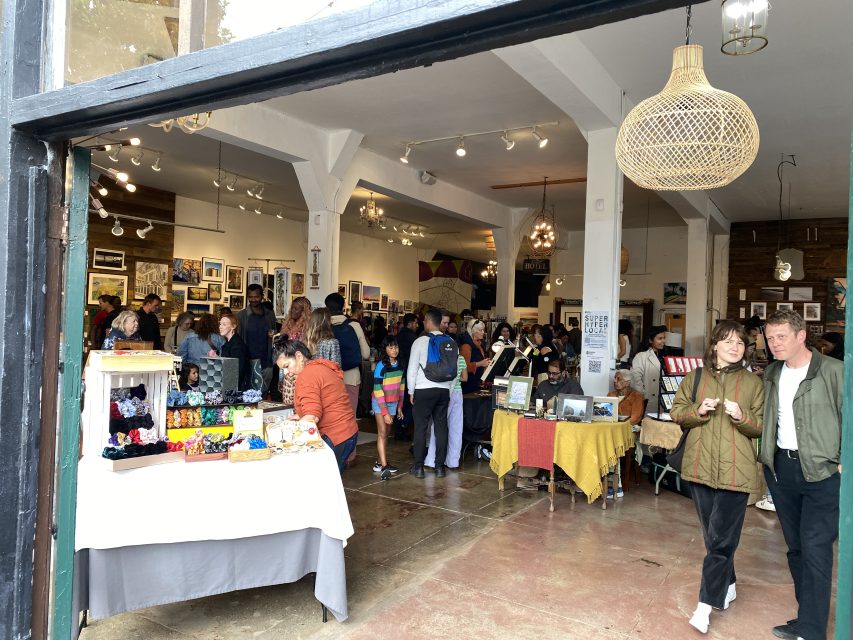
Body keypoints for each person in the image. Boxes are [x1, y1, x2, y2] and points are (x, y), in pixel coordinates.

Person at [670, 320, 764, 636]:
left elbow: (761, 427)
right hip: (699, 468)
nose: (734, 347)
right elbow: (676, 412)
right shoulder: (695, 377)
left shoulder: (754, 384)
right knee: (714, 536)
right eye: (728, 341)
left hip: (737, 471)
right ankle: (730, 582)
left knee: (721, 541)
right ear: (714, 346)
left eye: (739, 342)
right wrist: (699, 409)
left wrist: (742, 417)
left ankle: (705, 606)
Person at [759, 310, 843, 640]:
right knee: (796, 548)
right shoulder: (771, 373)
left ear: (801, 336)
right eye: (770, 338)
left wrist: (844, 460)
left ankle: (812, 630)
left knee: (815, 548)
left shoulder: (834, 370)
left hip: (823, 472)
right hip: (782, 470)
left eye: (781, 336)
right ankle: (807, 618)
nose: (775, 343)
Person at [275, 339, 359, 473]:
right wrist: (300, 415)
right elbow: (325, 401)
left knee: (324, 483)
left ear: (299, 356)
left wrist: (290, 433)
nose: (286, 373)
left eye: (287, 366)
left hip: (336, 435)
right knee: (334, 480)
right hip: (348, 432)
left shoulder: (306, 375)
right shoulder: (318, 367)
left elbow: (312, 416)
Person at [407, 308, 456, 478]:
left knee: (420, 428)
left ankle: (419, 467)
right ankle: (439, 467)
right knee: (441, 428)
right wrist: (448, 391)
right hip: (443, 391)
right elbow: (454, 371)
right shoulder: (450, 341)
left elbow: (412, 369)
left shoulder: (419, 342)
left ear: (428, 321)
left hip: (423, 389)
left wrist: (411, 390)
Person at [326, 292, 370, 411]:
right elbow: (366, 354)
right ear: (344, 306)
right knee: (349, 418)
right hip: (351, 377)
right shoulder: (354, 325)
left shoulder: (324, 327)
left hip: (329, 378)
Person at [425, 348, 467, 470]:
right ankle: (453, 461)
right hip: (458, 394)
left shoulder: (442, 359)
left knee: (437, 426)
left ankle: (432, 460)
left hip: (445, 392)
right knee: (456, 427)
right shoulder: (461, 358)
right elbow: (465, 378)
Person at [371, 336, 405, 480]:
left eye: (396, 346)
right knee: (382, 433)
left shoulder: (400, 364)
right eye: (390, 347)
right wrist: (385, 412)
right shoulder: (381, 366)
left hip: (393, 402)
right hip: (380, 402)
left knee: (387, 433)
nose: (394, 350)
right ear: (385, 349)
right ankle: (384, 466)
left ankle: (379, 462)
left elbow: (402, 386)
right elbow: (378, 390)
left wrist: (399, 407)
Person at [236, 284, 277, 392]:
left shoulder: (269, 314)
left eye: (256, 297)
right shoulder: (241, 316)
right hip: (249, 361)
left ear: (262, 296)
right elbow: (238, 340)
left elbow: (274, 333)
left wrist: (272, 334)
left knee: (264, 394)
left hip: (267, 360)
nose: (253, 300)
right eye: (250, 297)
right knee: (250, 394)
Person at [631, 325, 668, 410]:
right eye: (660, 338)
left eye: (664, 338)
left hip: (661, 400)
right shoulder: (641, 356)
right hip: (648, 399)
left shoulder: (663, 355)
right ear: (651, 340)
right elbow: (635, 378)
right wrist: (643, 395)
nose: (663, 341)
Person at [395, 313, 419, 440]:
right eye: (415, 323)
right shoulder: (413, 339)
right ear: (410, 323)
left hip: (397, 373)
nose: (417, 325)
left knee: (399, 401)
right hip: (409, 373)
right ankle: (403, 426)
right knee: (409, 403)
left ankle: (398, 428)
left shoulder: (397, 336)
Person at [218, 314, 250, 390]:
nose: (220, 327)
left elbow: (238, 370)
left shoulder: (237, 345)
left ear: (233, 326)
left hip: (234, 387)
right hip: (230, 385)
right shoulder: (230, 342)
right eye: (220, 324)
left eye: (224, 324)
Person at [459, 319, 490, 393]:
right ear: (473, 331)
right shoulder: (466, 346)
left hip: (477, 384)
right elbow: (463, 367)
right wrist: (480, 364)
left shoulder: (480, 344)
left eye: (483, 330)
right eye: (480, 330)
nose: (483, 332)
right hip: (468, 387)